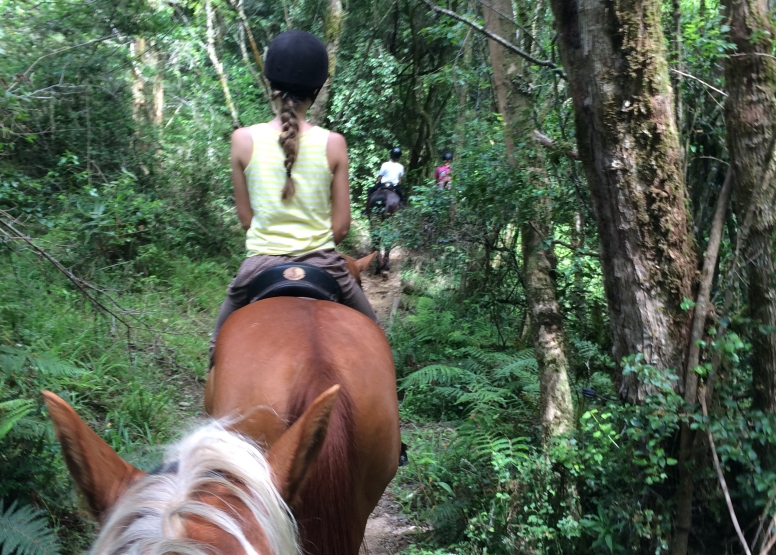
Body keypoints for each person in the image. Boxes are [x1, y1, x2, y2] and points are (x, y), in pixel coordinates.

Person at [210, 30, 378, 362]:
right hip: (325, 265)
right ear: (317, 89)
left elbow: (246, 220)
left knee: (218, 348)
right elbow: (341, 228)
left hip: (258, 266)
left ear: (270, 81)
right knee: (375, 340)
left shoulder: (243, 140)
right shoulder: (334, 143)